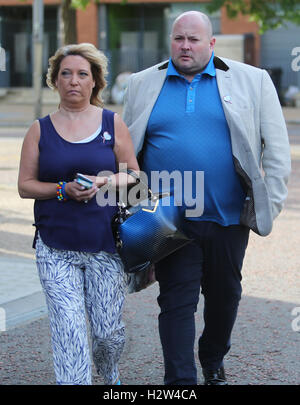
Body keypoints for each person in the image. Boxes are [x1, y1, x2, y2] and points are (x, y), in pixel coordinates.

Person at [123, 11, 291, 385]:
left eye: (194, 39)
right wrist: (137, 216)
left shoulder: (253, 81)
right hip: (169, 222)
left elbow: (277, 153)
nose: (185, 46)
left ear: (211, 43)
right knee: (175, 303)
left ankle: (213, 358)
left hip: (228, 218)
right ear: (171, 41)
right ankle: (181, 383)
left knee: (224, 299)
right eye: (179, 38)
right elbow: (127, 157)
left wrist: (270, 205)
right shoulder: (141, 83)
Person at [18, 43, 139, 385]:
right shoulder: (39, 130)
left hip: (106, 246)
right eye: (65, 74)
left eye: (82, 74)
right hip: (55, 247)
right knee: (69, 330)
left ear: (95, 82)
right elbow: (25, 185)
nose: (73, 80)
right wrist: (62, 189)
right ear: (54, 81)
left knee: (108, 333)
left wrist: (105, 180)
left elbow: (134, 177)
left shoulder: (112, 124)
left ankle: (110, 371)